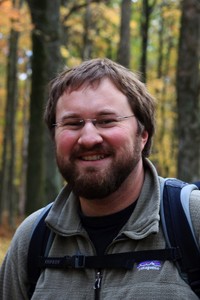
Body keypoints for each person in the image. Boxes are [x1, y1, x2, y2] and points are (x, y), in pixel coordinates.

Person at [0, 58, 199, 300]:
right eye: (73, 123)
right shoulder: (32, 240)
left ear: (143, 135)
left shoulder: (191, 222)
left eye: (106, 121)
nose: (88, 138)